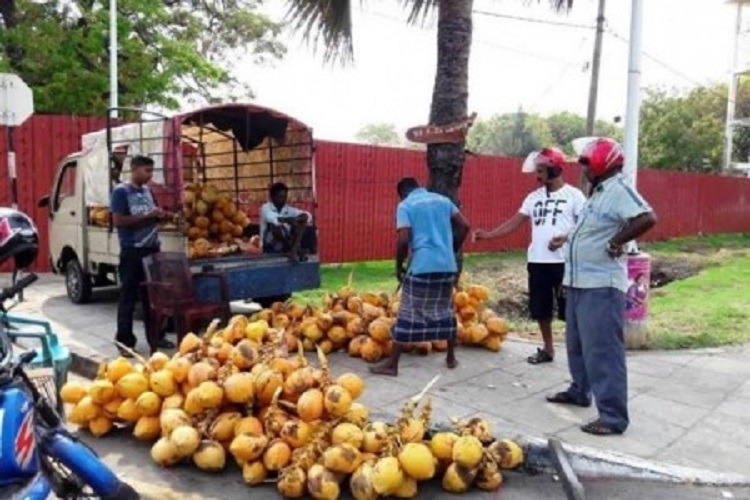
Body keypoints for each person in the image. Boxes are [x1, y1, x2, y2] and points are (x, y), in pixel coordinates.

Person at [546, 138, 657, 436]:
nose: (582, 170)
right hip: (579, 282)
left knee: (603, 350)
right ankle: (580, 390)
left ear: (600, 163)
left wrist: (616, 241)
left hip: (601, 285)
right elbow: (591, 230)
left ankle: (612, 416)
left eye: (585, 164)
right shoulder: (597, 195)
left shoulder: (619, 189)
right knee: (577, 344)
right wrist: (566, 239)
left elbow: (647, 217)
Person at [474, 147, 586, 365]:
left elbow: (584, 225)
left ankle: (578, 353)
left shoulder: (574, 196)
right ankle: (548, 348)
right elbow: (514, 222)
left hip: (564, 262)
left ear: (555, 169)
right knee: (540, 309)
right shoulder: (533, 197)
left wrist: (565, 237)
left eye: (542, 170)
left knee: (570, 311)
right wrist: (488, 235)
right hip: (537, 261)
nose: (538, 176)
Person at [370, 178, 470, 377]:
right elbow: (465, 226)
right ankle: (450, 358)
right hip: (447, 265)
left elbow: (403, 239)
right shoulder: (443, 200)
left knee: (408, 313)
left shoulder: (405, 205)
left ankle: (392, 365)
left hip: (422, 266)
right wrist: (452, 249)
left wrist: (399, 266)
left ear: (402, 193)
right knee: (445, 309)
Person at [111, 155, 174, 356]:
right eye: (146, 171)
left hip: (152, 250)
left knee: (153, 298)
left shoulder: (148, 191)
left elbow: (152, 220)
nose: (149, 175)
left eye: (151, 171)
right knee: (128, 298)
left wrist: (162, 217)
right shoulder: (121, 192)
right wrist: (148, 216)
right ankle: (124, 341)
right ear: (134, 169)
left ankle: (156, 336)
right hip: (132, 252)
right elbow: (119, 221)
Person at [260, 182, 311, 262]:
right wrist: (288, 220)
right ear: (272, 197)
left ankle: (294, 249)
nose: (283, 200)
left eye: (285, 197)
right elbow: (273, 219)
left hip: (287, 243)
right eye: (280, 197)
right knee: (275, 225)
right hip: (270, 245)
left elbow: (308, 216)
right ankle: (295, 249)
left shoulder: (288, 209)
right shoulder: (266, 208)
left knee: (301, 221)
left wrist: (296, 219)